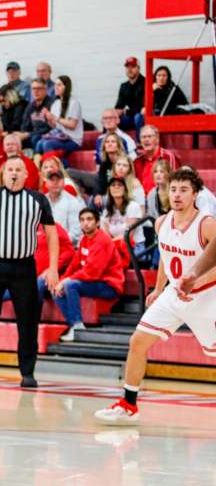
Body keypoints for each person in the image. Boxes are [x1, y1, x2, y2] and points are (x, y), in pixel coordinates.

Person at [95, 169, 216, 425]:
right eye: (173, 189)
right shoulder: (162, 222)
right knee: (138, 341)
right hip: (173, 296)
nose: (177, 195)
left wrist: (194, 282)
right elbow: (165, 257)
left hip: (206, 298)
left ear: (195, 194)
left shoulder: (206, 224)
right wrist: (160, 289)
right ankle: (128, 405)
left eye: (183, 190)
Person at [0, 156, 59, 387]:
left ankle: (27, 371)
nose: (14, 173)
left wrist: (53, 267)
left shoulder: (38, 200)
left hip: (24, 267)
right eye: (10, 169)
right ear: (2, 174)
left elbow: (52, 234)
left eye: (18, 169)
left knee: (27, 319)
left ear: (26, 175)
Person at [52, 208, 124, 342]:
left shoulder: (102, 241)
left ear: (97, 223)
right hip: (94, 282)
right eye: (82, 220)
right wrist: (60, 281)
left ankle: (78, 327)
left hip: (109, 285)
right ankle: (74, 325)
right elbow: (74, 265)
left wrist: (66, 281)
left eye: (89, 219)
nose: (86, 223)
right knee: (55, 289)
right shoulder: (85, 239)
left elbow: (92, 273)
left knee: (70, 285)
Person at [35, 76, 83, 155]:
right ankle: (39, 165)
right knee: (39, 143)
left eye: (59, 85)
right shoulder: (56, 104)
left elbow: (72, 125)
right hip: (59, 136)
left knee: (48, 144)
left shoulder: (74, 103)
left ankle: (53, 165)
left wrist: (55, 118)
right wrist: (47, 118)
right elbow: (54, 126)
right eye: (55, 85)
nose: (56, 87)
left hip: (73, 140)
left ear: (66, 87)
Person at [101, 177, 145, 263]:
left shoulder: (133, 206)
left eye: (119, 185)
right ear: (109, 190)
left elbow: (128, 235)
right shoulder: (107, 210)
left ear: (125, 189)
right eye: (113, 185)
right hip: (114, 246)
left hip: (134, 246)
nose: (116, 187)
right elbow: (106, 234)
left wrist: (111, 245)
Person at [133, 125, 180, 193]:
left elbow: (176, 180)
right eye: (143, 137)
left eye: (149, 136)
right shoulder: (137, 161)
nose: (146, 140)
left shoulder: (168, 156)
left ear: (157, 139)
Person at [44, 169, 84, 246]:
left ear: (63, 182)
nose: (55, 182)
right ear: (46, 183)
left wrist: (55, 243)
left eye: (58, 179)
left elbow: (75, 233)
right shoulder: (41, 201)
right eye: (52, 180)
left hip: (66, 245)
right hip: (44, 245)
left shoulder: (73, 201)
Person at [19, 78, 54, 149]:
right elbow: (25, 125)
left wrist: (29, 134)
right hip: (33, 135)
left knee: (35, 138)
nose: (36, 91)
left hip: (48, 135)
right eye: (33, 89)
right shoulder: (30, 106)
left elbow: (50, 128)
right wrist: (22, 134)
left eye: (39, 88)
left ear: (45, 90)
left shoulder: (52, 105)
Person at [115, 57, 146, 131]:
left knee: (138, 117)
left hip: (143, 117)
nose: (129, 69)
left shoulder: (146, 83)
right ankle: (106, 141)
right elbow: (119, 106)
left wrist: (126, 111)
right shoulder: (124, 86)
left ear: (138, 68)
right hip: (130, 117)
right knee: (111, 118)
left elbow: (143, 108)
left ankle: (140, 142)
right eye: (127, 67)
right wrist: (115, 113)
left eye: (133, 67)